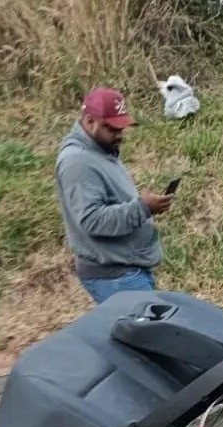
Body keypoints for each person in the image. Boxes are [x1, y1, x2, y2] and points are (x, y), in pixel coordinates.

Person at [55, 87, 174, 304]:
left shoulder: (100, 149)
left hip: (126, 269)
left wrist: (145, 205)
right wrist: (143, 208)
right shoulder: (78, 162)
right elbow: (92, 220)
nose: (119, 135)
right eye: (112, 128)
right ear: (90, 121)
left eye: (122, 128)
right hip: (114, 275)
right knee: (148, 337)